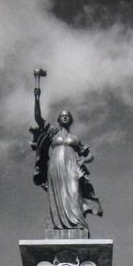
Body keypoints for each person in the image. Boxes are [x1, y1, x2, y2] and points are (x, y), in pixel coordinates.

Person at [30, 88, 102, 232]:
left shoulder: (75, 138)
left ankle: (78, 223)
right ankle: (56, 225)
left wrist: (83, 161)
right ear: (58, 120)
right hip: (55, 167)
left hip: (71, 167)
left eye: (67, 115)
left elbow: (90, 155)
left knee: (74, 193)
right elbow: (38, 117)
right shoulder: (53, 133)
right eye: (62, 115)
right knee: (56, 196)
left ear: (70, 119)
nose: (64, 117)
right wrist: (37, 98)